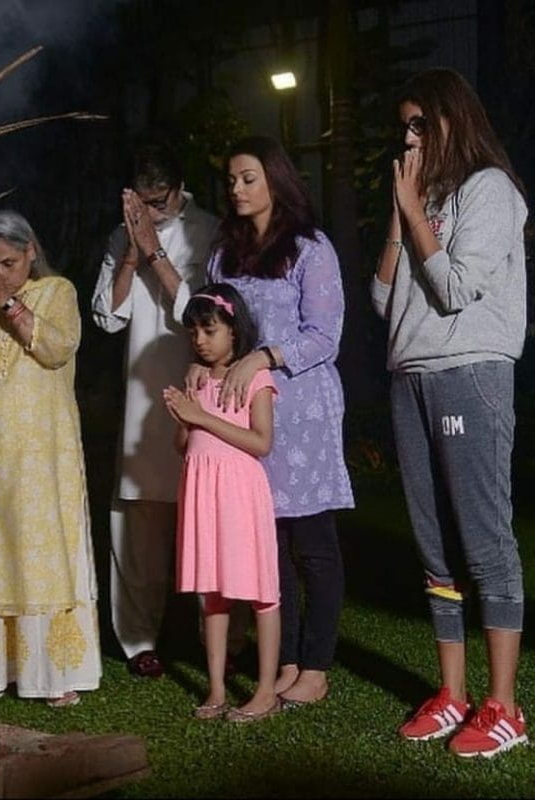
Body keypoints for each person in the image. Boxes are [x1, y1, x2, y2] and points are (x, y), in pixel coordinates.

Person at [372, 68, 528, 757]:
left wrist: (415, 217)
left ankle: (505, 707)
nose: (406, 139)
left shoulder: (489, 190)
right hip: (410, 375)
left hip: (470, 373)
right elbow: (384, 302)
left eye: (418, 125)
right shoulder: (420, 197)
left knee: (483, 540)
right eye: (401, 126)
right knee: (433, 546)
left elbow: (458, 288)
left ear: (450, 122)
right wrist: (398, 215)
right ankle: (453, 695)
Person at [188, 135, 354, 707]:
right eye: (231, 180)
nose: (237, 189)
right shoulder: (222, 255)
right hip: (246, 416)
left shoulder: (310, 248)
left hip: (303, 414)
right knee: (268, 544)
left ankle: (316, 665)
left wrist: (263, 355)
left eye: (248, 178)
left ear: (275, 180)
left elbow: (325, 336)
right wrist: (201, 364)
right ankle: (283, 659)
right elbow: (212, 324)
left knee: (312, 543)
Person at [0, 209, 101, 707]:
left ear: (31, 252)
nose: (1, 273)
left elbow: (55, 348)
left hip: (41, 455)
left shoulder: (59, 292)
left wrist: (6, 301)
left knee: (41, 556)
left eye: (10, 262)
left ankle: (54, 676)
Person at [91, 137, 220, 678]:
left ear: (179, 189)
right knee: (138, 520)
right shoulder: (123, 232)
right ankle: (139, 638)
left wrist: (157, 252)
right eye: (142, 201)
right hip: (142, 392)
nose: (151, 211)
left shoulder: (208, 229)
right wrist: (129, 251)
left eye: (160, 200)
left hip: (199, 389)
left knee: (208, 515)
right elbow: (106, 316)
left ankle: (217, 637)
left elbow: (201, 310)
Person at [164, 284, 281, 722]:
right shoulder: (195, 379)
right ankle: (215, 689)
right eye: (193, 331)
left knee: (261, 593)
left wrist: (201, 418)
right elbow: (185, 443)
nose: (199, 340)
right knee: (212, 595)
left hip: (240, 496)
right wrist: (183, 418)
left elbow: (262, 442)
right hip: (201, 494)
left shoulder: (255, 379)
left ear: (234, 330)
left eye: (209, 330)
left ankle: (266, 691)